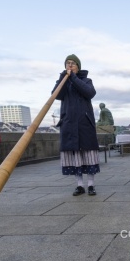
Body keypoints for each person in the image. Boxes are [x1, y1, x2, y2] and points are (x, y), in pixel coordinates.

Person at [53, 54, 100, 195]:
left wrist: (73, 77)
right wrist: (63, 78)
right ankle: (79, 185)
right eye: (67, 63)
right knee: (75, 156)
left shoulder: (86, 80)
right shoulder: (63, 81)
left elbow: (90, 93)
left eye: (73, 63)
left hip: (84, 123)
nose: (70, 65)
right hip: (69, 123)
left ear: (78, 66)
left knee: (89, 154)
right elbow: (56, 95)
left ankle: (91, 185)